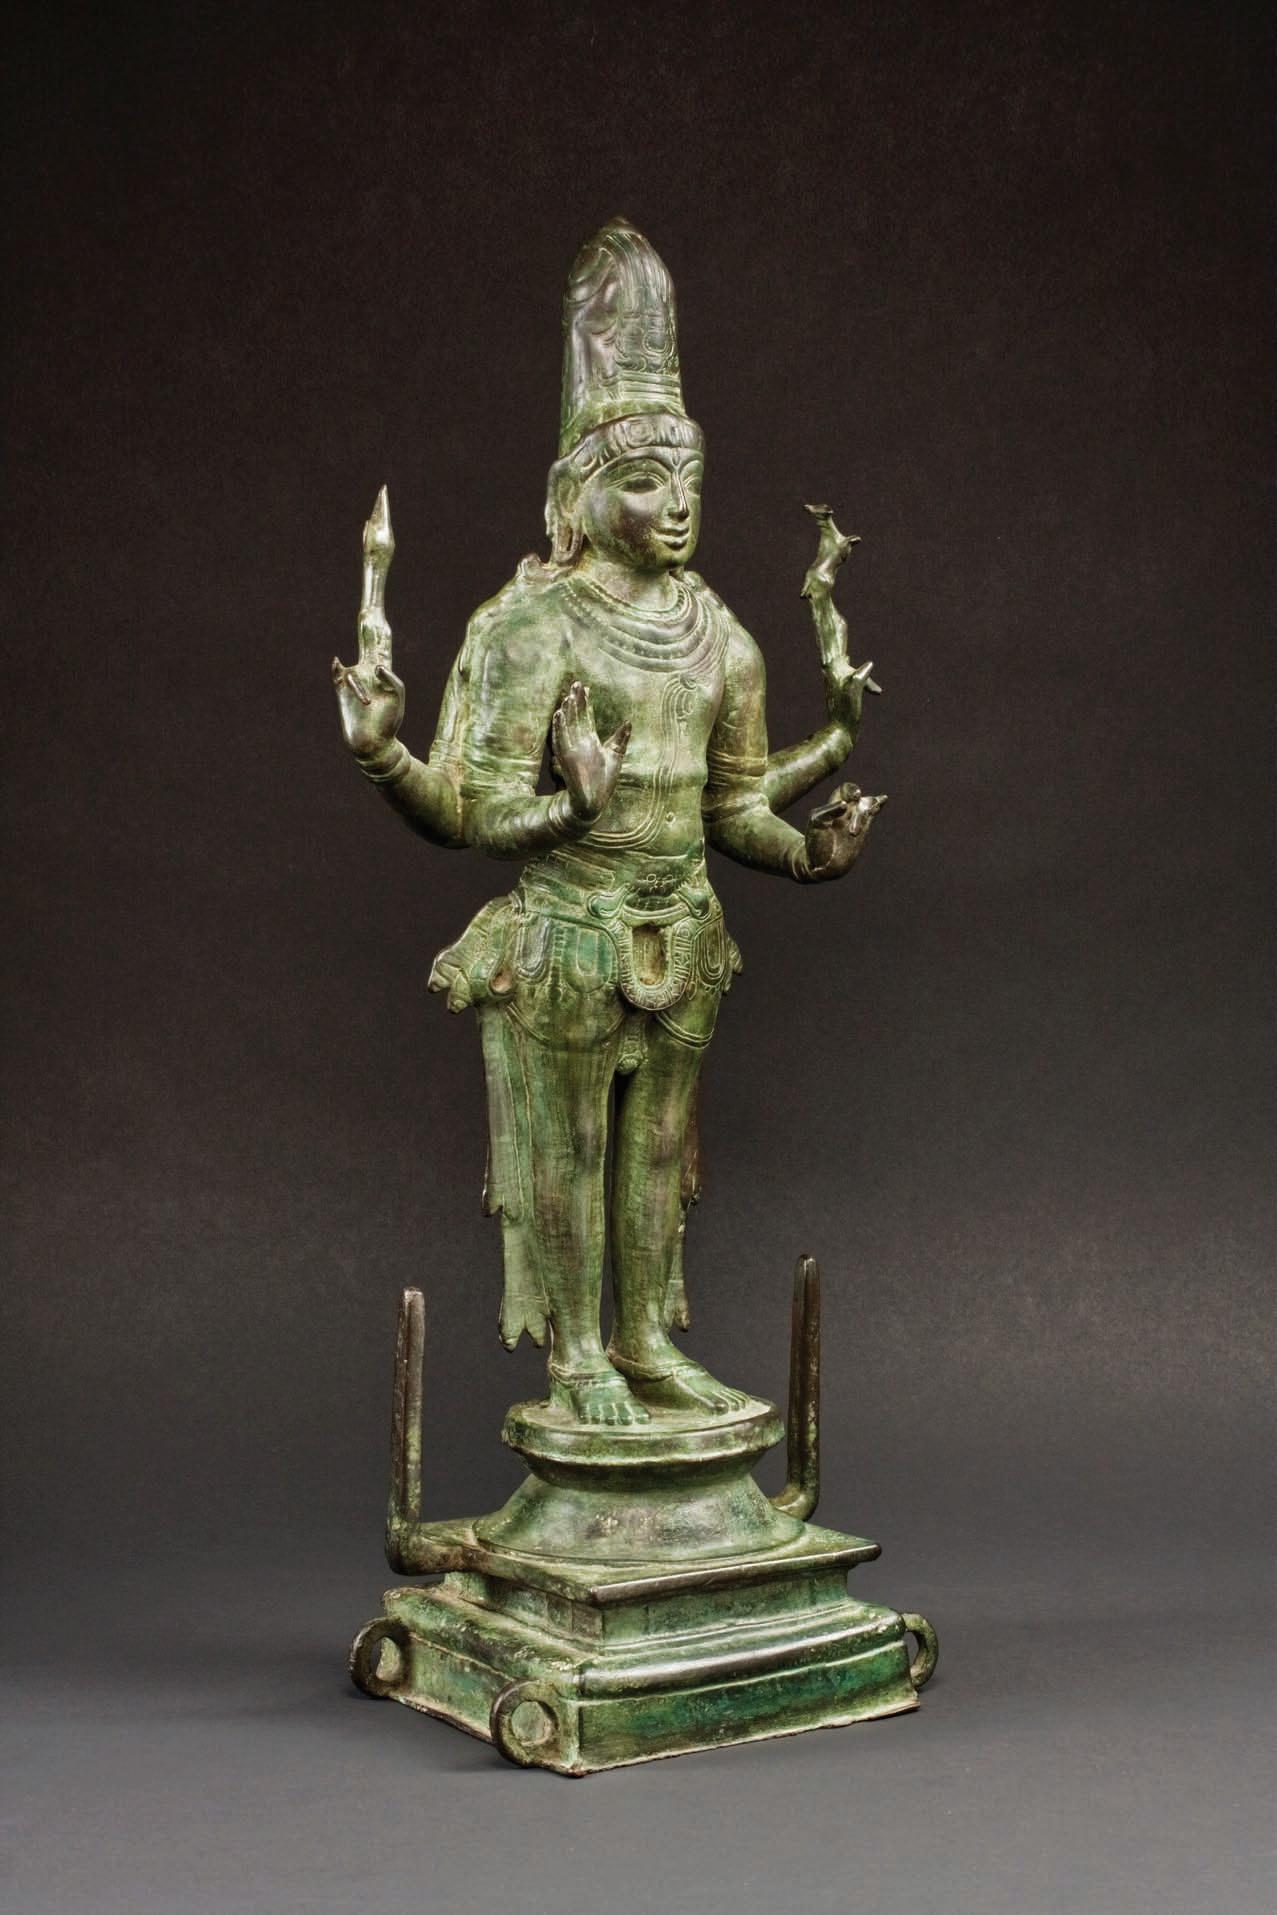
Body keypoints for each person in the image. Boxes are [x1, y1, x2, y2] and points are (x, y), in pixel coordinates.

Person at [332, 218, 883, 1426]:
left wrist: (809, 855)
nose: (675, 505)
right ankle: (578, 1353)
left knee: (657, 1154)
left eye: (687, 480)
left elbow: (730, 805)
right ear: (574, 496)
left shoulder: (721, 636)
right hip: (571, 936)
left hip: (684, 932)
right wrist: (388, 758)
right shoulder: (528, 628)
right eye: (641, 480)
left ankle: (642, 1339)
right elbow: (465, 810)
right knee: (570, 1153)